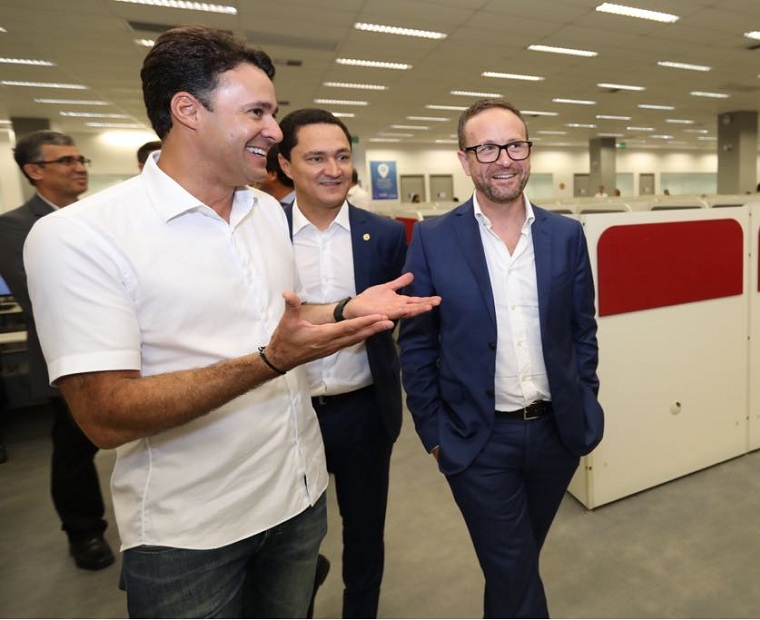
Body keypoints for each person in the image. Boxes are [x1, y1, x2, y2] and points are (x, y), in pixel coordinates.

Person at [22, 25, 438, 618]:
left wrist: (346, 308)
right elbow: (105, 415)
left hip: (297, 502)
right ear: (188, 111)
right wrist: (271, 362)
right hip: (191, 534)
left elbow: (280, 321)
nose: (275, 130)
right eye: (257, 112)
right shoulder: (80, 237)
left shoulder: (264, 213)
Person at [398, 99, 604, 618]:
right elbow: (417, 345)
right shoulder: (433, 238)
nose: (504, 159)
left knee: (514, 566)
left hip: (557, 435)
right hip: (477, 440)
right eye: (486, 148)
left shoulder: (566, 235)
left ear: (529, 152)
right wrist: (435, 435)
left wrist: (585, 401)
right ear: (465, 160)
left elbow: (582, 330)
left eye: (514, 145)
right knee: (513, 566)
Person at [277, 108, 407, 618]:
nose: (333, 170)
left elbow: (399, 315)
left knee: (365, 532)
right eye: (316, 158)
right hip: (287, 411)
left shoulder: (385, 234)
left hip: (364, 411)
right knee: (290, 537)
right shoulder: (262, 231)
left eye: (342, 156)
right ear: (285, 164)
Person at [0, 130, 115, 571]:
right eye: (65, 161)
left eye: (80, 159)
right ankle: (84, 532)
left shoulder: (96, 217)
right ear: (34, 171)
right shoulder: (14, 227)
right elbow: (42, 298)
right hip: (67, 360)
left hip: (122, 349)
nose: (79, 168)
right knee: (74, 451)